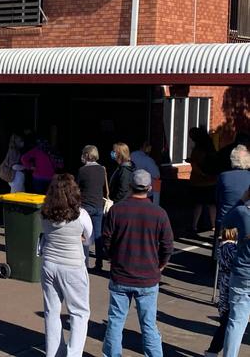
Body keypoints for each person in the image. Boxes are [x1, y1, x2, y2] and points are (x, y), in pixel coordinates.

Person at [102, 169, 174, 357]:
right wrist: (161, 265)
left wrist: (113, 258)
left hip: (121, 275)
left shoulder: (116, 210)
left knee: (116, 321)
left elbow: (106, 241)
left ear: (129, 186)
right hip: (148, 277)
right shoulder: (159, 213)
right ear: (149, 188)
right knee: (149, 324)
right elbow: (167, 245)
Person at [40, 174, 93, 357]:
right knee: (79, 313)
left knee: (51, 311)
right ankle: (73, 354)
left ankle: (53, 353)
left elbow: (46, 234)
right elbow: (88, 240)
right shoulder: (81, 215)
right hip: (72, 267)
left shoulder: (44, 214)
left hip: (49, 264)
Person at [221, 187, 250, 357]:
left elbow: (226, 222)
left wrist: (242, 198)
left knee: (236, 323)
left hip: (243, 273)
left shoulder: (242, 212)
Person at [204, 227, 238, 357]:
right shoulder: (231, 248)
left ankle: (212, 351)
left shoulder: (223, 247)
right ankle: (212, 351)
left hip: (225, 292)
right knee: (227, 326)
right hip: (230, 292)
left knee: (225, 325)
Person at [76, 145, 108, 270]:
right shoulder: (102, 169)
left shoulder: (82, 170)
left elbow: (77, 188)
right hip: (98, 205)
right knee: (98, 235)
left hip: (86, 205)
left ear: (87, 155)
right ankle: (99, 262)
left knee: (84, 234)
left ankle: (85, 262)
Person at [215, 145, 250, 239]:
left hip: (228, 220)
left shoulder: (223, 176)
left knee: (227, 251)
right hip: (246, 221)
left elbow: (218, 199)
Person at [187, 127, 217, 236]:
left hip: (199, 181)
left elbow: (195, 165)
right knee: (212, 204)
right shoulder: (211, 147)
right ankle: (214, 226)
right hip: (212, 180)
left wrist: (202, 174)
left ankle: (194, 226)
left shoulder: (198, 149)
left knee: (198, 204)